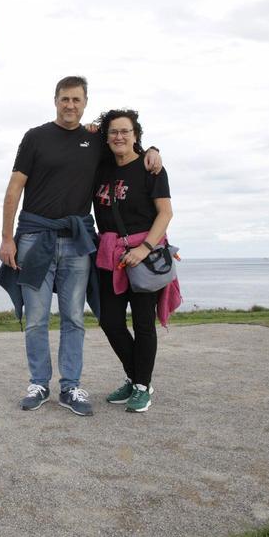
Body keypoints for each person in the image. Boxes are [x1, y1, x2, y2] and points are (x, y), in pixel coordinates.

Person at [0, 77, 160, 416]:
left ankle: (70, 387)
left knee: (73, 317)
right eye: (65, 99)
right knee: (36, 318)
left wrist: (153, 150)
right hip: (34, 238)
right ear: (55, 100)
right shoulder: (35, 137)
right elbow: (14, 188)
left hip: (77, 241)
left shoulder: (95, 140)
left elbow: (126, 147)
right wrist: (7, 237)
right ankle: (38, 384)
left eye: (76, 99)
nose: (70, 105)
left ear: (85, 103)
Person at [92, 109, 180, 413]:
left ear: (135, 135)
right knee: (109, 320)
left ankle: (142, 386)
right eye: (113, 132)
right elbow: (84, 138)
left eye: (125, 131)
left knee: (143, 323)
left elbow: (165, 213)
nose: (119, 137)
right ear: (107, 137)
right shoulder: (101, 167)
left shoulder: (150, 169)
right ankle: (136, 377)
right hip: (110, 255)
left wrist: (144, 248)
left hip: (144, 255)